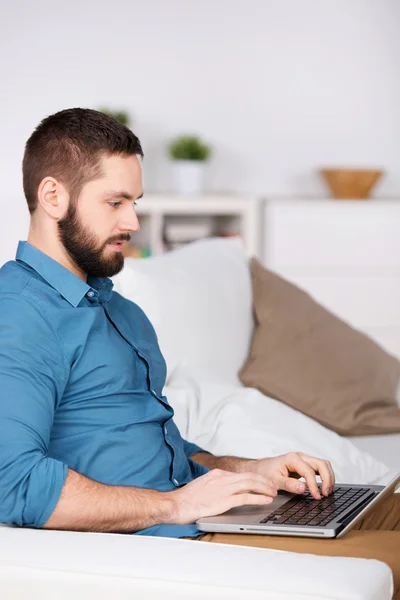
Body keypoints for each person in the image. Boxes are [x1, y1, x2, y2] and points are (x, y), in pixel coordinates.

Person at [0, 108, 398, 596]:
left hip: (205, 517)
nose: (132, 221)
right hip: (178, 540)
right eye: (115, 202)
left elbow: (163, 455)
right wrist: (176, 506)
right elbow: (12, 480)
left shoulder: (121, 313)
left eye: (135, 202)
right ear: (52, 196)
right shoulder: (18, 315)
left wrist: (249, 470)